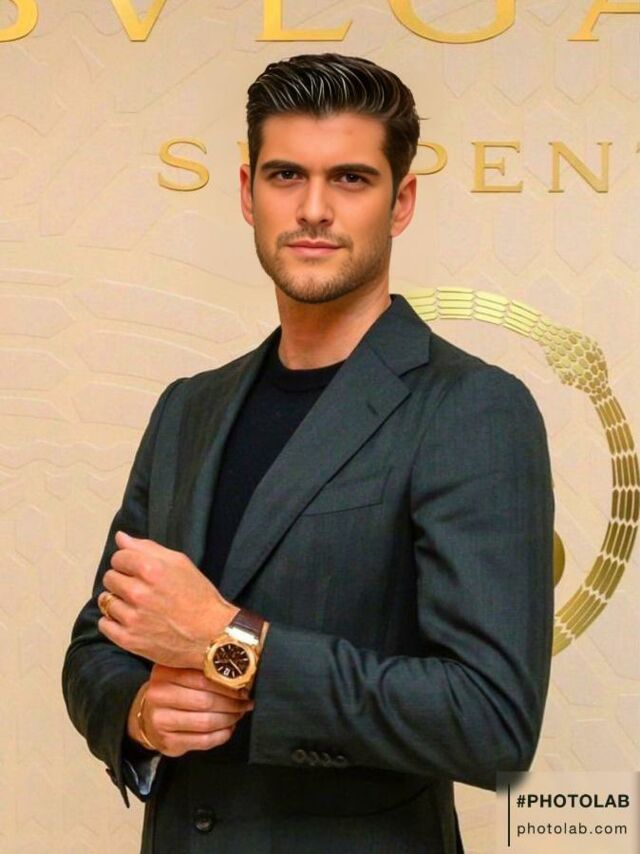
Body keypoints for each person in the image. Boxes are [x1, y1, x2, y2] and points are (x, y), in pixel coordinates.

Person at [61, 53, 555, 854]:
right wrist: (141, 716)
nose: (314, 209)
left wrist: (230, 644)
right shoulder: (189, 408)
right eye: (287, 175)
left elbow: (491, 719)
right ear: (247, 192)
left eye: (351, 179)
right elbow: (99, 644)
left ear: (401, 203)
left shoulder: (472, 408)